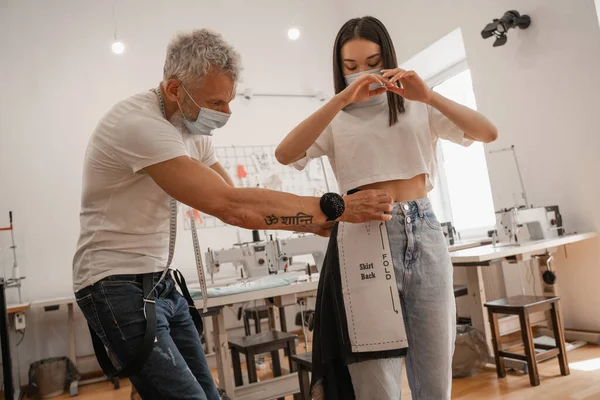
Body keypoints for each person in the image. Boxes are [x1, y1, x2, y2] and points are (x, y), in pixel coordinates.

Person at [72, 29, 394, 400]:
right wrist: (334, 208)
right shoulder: (139, 125)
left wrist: (314, 221)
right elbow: (232, 207)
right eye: (216, 102)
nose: (225, 112)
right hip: (113, 284)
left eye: (229, 100)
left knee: (209, 394)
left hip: (158, 282)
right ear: (175, 89)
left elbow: (236, 198)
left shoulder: (191, 130)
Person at [276, 16, 498, 400]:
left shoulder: (416, 107)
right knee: (377, 383)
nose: (365, 74)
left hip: (424, 229)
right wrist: (342, 99)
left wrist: (427, 95)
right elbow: (285, 154)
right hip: (363, 235)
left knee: (434, 376)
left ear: (389, 59)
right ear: (340, 70)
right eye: (352, 67)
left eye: (373, 62)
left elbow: (487, 132)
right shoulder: (336, 117)